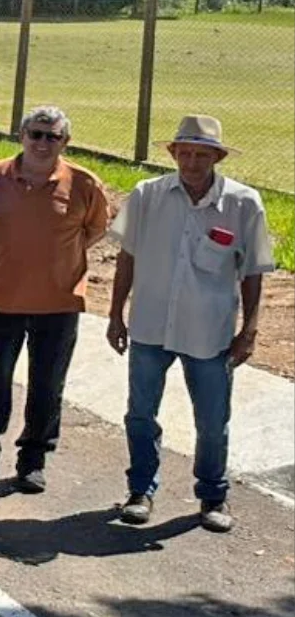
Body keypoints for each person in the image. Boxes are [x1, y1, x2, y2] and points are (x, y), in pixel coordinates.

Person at [108, 115, 272, 534]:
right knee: (140, 413)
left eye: (202, 154)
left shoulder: (243, 203)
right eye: (185, 153)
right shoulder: (148, 195)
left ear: (217, 157)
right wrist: (114, 313)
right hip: (149, 325)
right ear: (173, 154)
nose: (192, 162)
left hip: (210, 332)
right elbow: (127, 256)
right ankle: (140, 490)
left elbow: (253, 271)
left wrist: (249, 330)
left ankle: (213, 495)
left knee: (213, 421)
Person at [0, 106, 110, 493]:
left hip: (59, 304)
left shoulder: (84, 184)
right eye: (36, 134)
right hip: (1, 298)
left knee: (47, 385)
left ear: (66, 142)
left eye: (53, 136)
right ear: (22, 135)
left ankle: (32, 460)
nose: (42, 143)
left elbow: (94, 230)